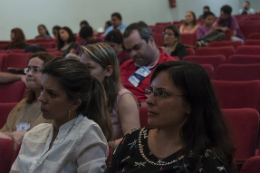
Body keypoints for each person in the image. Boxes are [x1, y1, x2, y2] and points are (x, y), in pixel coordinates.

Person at [106, 61, 236, 173]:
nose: (149, 100)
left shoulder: (207, 159)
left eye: (162, 94)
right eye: (151, 91)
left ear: (190, 104)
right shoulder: (132, 141)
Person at [10, 57, 113, 173]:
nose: (41, 98)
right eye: (42, 89)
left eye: (52, 94)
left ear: (74, 103)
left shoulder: (88, 133)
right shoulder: (35, 133)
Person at [80, 43, 140, 149]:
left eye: (89, 67)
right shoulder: (84, 95)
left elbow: (132, 140)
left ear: (108, 71)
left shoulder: (124, 98)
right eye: (81, 67)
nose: (82, 73)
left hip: (112, 159)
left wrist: (95, 148)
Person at [0, 52, 54, 146]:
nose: (29, 74)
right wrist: (13, 134)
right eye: (28, 69)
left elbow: (53, 140)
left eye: (35, 70)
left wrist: (24, 137)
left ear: (50, 75)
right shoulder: (23, 104)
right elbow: (3, 132)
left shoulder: (56, 107)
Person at [121, 22, 176, 107]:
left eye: (137, 47)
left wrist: (135, 105)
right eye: (129, 51)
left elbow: (170, 105)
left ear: (151, 41)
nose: (133, 54)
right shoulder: (124, 67)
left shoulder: (172, 68)